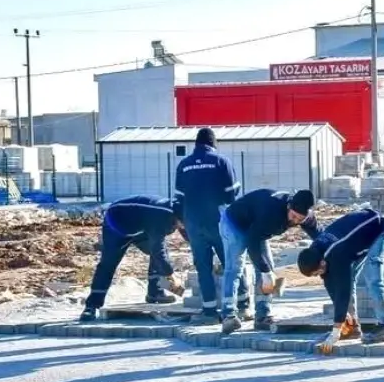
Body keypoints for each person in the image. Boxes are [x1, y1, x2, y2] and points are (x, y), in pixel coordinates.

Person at [173, 127, 250, 325]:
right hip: (218, 220)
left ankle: (208, 311)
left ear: (196, 144)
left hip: (193, 222)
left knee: (203, 267)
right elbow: (232, 193)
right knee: (231, 263)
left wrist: (183, 221)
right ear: (213, 143)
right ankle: (242, 305)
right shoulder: (221, 161)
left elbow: (178, 199)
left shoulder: (184, 164)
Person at [219, 188, 319, 334]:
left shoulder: (305, 216)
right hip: (235, 223)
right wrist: (264, 272)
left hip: (257, 228)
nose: (294, 221)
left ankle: (262, 316)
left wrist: (329, 250)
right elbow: (252, 242)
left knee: (268, 268)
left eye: (300, 220)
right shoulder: (271, 211)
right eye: (293, 216)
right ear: (288, 207)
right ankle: (228, 315)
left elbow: (319, 235)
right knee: (235, 268)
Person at [297, 206, 384, 348]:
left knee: (372, 278)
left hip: (380, 228)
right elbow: (330, 285)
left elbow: (344, 290)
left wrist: (336, 330)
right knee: (349, 280)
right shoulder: (317, 251)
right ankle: (352, 328)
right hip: (357, 239)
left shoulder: (336, 254)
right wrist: (342, 321)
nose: (319, 275)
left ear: (322, 262)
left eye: (317, 272)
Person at [80, 195, 187, 322]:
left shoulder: (177, 213)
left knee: (159, 256)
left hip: (141, 228)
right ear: (178, 218)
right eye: (183, 224)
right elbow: (158, 250)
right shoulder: (161, 216)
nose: (182, 227)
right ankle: (91, 306)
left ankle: (155, 293)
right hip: (117, 226)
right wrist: (171, 276)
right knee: (108, 264)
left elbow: (188, 234)